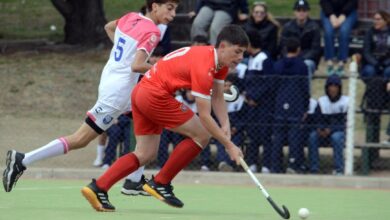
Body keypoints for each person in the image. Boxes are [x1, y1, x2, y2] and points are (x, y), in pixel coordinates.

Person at [2, 0, 179, 193]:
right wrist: (165, 69)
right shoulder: (152, 32)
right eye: (169, 8)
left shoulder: (131, 18)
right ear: (154, 6)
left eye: (175, 9)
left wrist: (124, 54)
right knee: (80, 139)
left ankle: (134, 180)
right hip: (117, 93)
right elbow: (137, 65)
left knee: (151, 118)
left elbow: (109, 27)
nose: (173, 14)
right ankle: (23, 159)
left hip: (114, 82)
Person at [81, 25, 248, 211]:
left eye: (243, 53)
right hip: (155, 96)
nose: (240, 57)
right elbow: (205, 115)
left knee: (146, 153)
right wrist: (229, 145)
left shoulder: (219, 63)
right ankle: (161, 182)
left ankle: (98, 187)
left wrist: (225, 123)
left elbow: (217, 96)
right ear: (223, 46)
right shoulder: (205, 66)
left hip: (141, 93)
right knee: (202, 134)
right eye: (237, 52)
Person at [270, 37, 310, 174]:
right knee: (295, 137)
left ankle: (275, 166)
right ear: (298, 50)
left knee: (278, 137)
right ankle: (293, 164)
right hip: (296, 105)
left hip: (279, 104)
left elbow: (273, 87)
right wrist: (306, 106)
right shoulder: (302, 66)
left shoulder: (278, 65)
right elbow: (305, 87)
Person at [242, 30, 274, 173]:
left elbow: (268, 83)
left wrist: (256, 98)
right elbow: (248, 82)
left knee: (265, 134)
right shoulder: (250, 59)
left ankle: (266, 165)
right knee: (252, 135)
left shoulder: (264, 58)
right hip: (251, 104)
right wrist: (248, 97)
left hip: (263, 105)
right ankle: (252, 162)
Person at [308, 74, 348, 175]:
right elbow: (317, 119)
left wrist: (331, 129)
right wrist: (320, 129)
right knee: (313, 136)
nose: (333, 89)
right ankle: (314, 168)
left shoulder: (346, 102)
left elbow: (344, 123)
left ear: (339, 88)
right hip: (324, 133)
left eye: (335, 86)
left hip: (339, 132)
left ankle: (339, 169)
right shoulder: (322, 101)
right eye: (330, 86)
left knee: (336, 137)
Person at [280, 0, 321, 77]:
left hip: (307, 60)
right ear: (294, 12)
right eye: (298, 10)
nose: (301, 13)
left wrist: (300, 59)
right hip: (289, 58)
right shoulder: (287, 27)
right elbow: (283, 46)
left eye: (304, 10)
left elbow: (315, 50)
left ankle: (305, 88)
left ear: (308, 12)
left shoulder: (314, 28)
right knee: (279, 66)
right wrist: (291, 58)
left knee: (307, 65)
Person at [320, 0, 358, 75]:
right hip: (328, 12)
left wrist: (343, 15)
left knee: (344, 31)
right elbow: (324, 2)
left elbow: (352, 2)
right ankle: (329, 62)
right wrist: (331, 15)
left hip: (349, 12)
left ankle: (342, 62)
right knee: (328, 31)